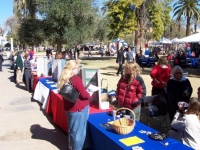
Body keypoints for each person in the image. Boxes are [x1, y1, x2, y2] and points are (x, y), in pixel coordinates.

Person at [57, 60, 92, 150]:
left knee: (72, 132)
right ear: (72, 69)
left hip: (69, 109)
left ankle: (72, 147)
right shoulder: (76, 79)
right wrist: (90, 94)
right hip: (78, 110)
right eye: (77, 68)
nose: (78, 70)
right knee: (78, 134)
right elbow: (84, 95)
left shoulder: (63, 78)